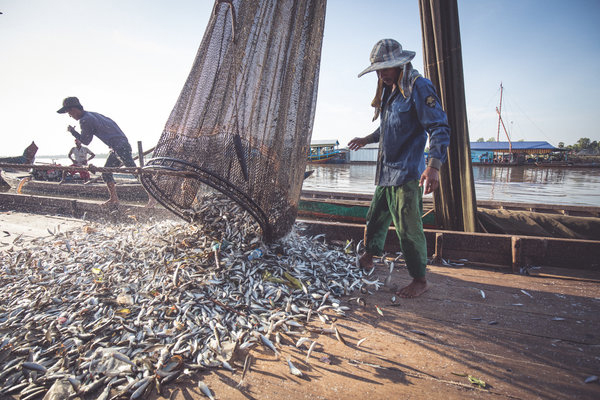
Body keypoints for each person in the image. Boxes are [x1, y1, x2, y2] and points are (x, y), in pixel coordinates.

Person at [348, 39, 450, 298]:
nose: (381, 74)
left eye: (386, 68)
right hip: (386, 172)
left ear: (401, 64)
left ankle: (419, 278)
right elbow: (388, 127)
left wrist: (434, 166)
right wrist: (367, 139)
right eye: (378, 70)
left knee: (408, 227)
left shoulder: (418, 86)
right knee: (376, 216)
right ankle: (370, 256)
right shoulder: (391, 90)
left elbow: (439, 127)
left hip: (407, 173)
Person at [57, 97, 136, 205]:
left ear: (74, 109)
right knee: (106, 173)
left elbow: (86, 141)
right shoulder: (93, 114)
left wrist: (73, 132)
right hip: (119, 145)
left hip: (119, 147)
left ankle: (152, 198)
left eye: (69, 112)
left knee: (134, 170)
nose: (70, 115)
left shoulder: (85, 120)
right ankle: (114, 199)